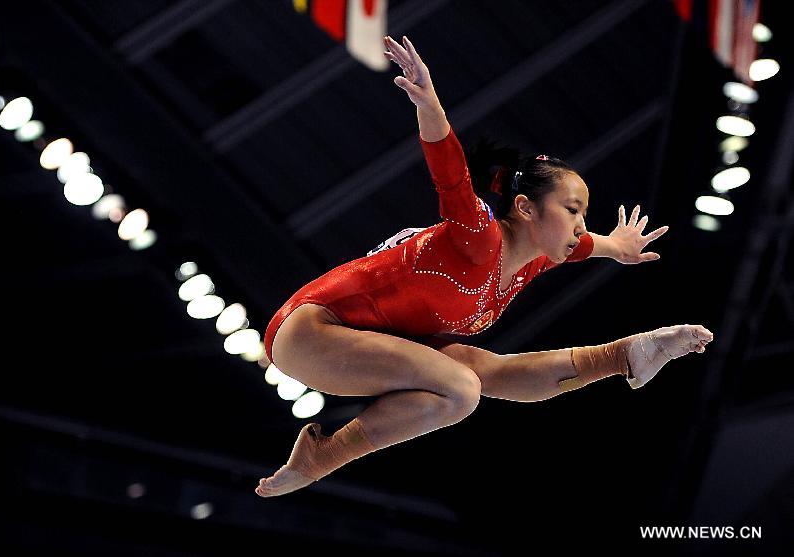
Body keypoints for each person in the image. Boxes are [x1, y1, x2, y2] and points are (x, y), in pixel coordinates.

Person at [255, 35, 713, 498]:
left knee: (483, 372)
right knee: (461, 388)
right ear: (525, 208)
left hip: (354, 343)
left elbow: (579, 246)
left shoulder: (529, 264)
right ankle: (324, 455)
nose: (581, 224)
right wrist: (429, 102)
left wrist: (614, 248)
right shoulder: (479, 235)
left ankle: (624, 356)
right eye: (573, 209)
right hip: (311, 330)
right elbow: (450, 173)